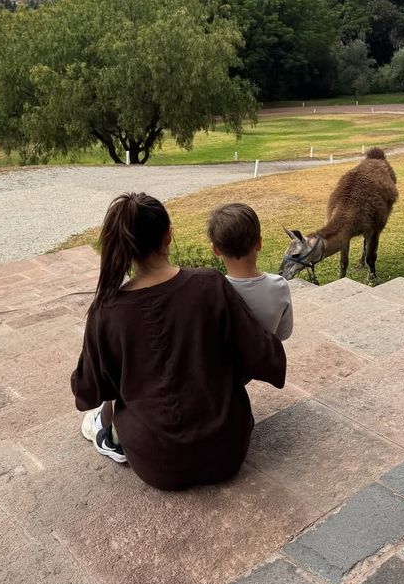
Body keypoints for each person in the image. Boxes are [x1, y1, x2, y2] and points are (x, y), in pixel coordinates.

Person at [71, 192, 286, 490]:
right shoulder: (210, 284)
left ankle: (109, 438)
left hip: (156, 464)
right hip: (227, 450)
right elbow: (263, 355)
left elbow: (88, 389)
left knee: (111, 404)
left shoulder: (105, 312)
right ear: (169, 235)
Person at [207, 203, 293, 341]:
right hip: (264, 360)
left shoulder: (212, 292)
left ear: (215, 249)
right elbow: (284, 334)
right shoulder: (279, 285)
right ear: (259, 243)